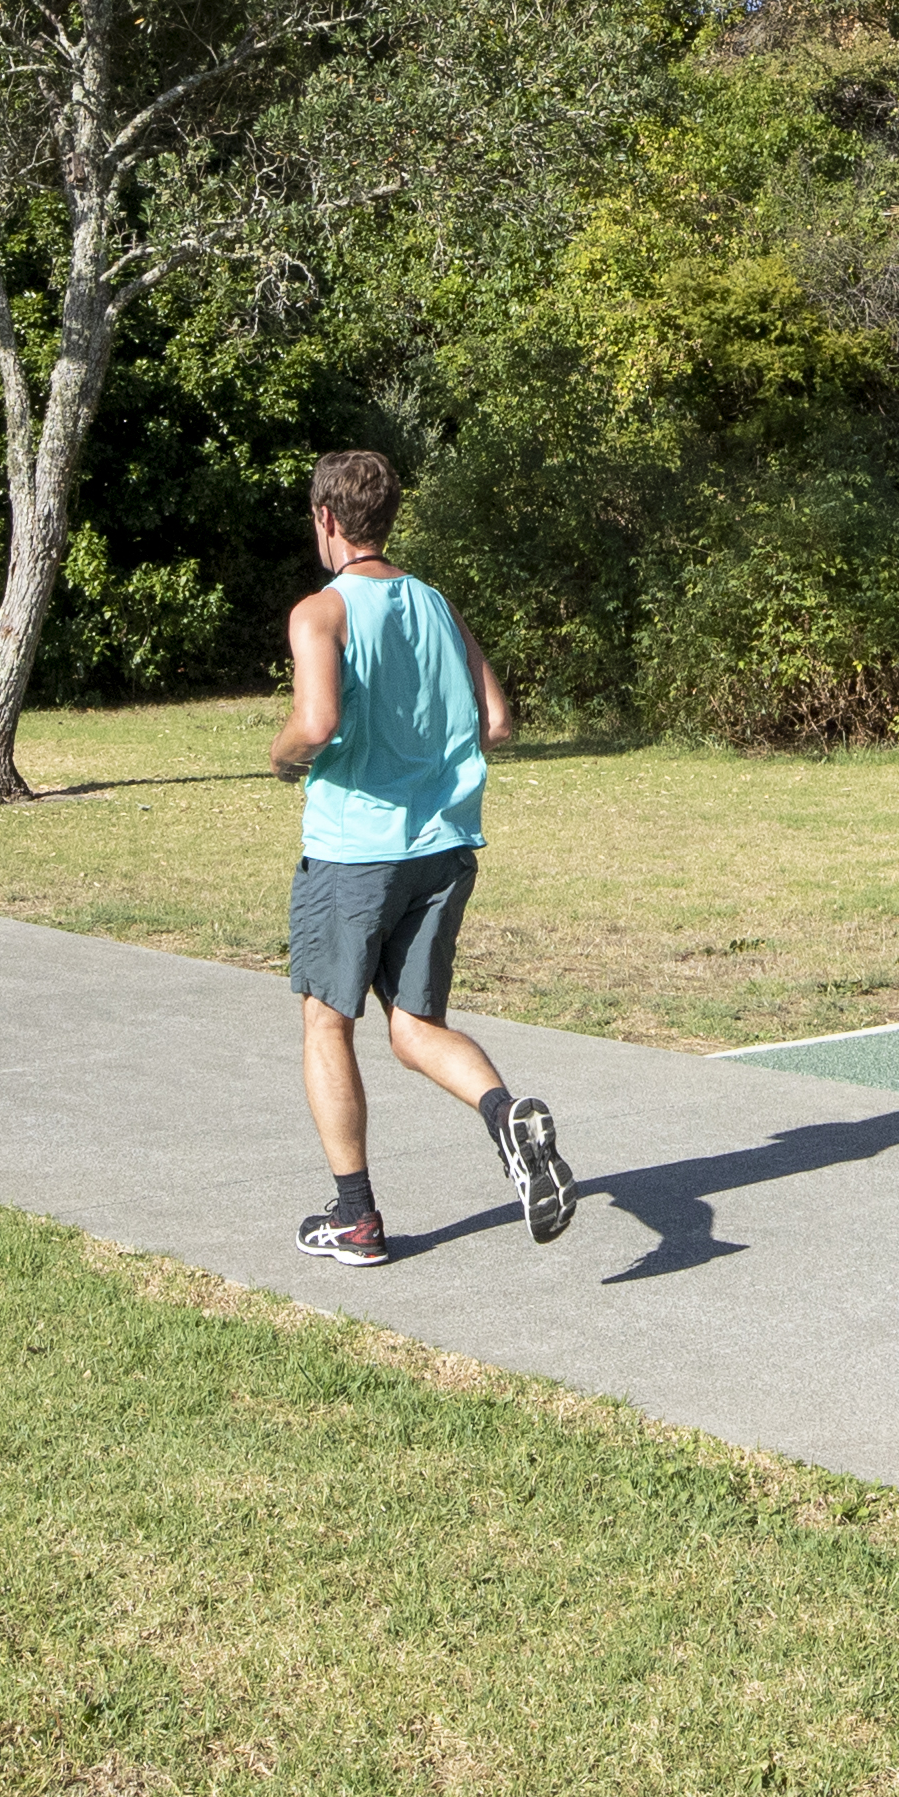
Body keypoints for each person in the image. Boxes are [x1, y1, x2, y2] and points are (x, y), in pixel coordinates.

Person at [275, 447, 571, 1265]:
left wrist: (281, 754)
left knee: (327, 1022)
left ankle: (357, 1219)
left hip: (354, 853)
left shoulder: (321, 612)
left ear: (327, 520)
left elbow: (317, 724)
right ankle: (506, 1115)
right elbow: (498, 721)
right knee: (414, 1027)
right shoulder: (439, 604)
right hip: (443, 848)